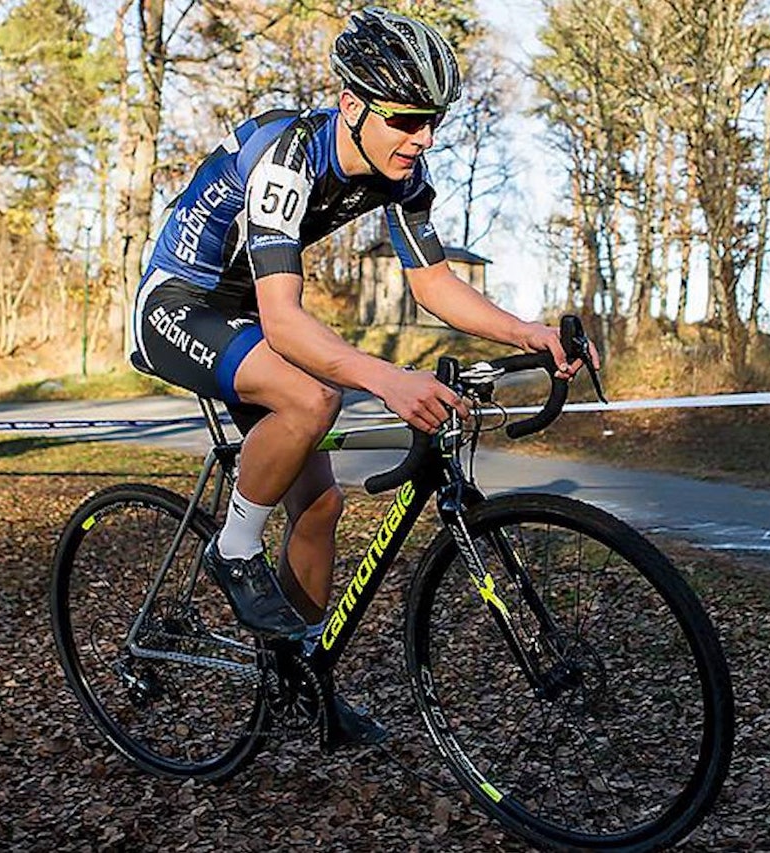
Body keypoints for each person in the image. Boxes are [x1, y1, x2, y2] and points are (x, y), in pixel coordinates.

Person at [132, 6, 595, 746]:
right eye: (408, 119)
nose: (424, 138)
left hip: (245, 313)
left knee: (319, 509)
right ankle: (232, 548)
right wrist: (387, 377)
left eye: (434, 120)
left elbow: (435, 283)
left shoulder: (400, 171)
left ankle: (301, 681)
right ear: (351, 104)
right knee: (312, 396)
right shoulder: (288, 155)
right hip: (179, 303)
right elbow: (285, 322)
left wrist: (529, 333)